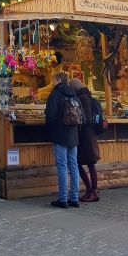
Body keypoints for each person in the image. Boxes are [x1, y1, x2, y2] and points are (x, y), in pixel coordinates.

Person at [45, 71, 84, 209]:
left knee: (62, 166)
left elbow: (49, 115)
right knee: (73, 165)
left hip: (60, 135)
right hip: (73, 136)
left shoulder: (55, 94)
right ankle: (74, 198)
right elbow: (82, 117)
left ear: (58, 80)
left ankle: (63, 199)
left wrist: (52, 129)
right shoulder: (74, 94)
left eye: (53, 80)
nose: (52, 83)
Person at [70, 78, 100, 202]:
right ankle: (90, 190)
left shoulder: (83, 98)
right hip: (88, 135)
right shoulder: (86, 96)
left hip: (85, 136)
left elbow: (86, 118)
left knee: (87, 163)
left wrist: (78, 124)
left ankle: (92, 191)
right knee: (86, 163)